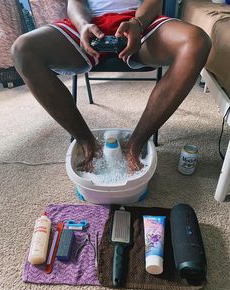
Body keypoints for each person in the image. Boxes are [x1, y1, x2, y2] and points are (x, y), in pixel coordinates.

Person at [11, 0, 211, 171]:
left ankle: (136, 144)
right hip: (88, 23)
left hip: (139, 21)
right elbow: (76, 2)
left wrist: (138, 23)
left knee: (197, 42)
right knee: (22, 50)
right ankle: (86, 142)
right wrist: (82, 26)